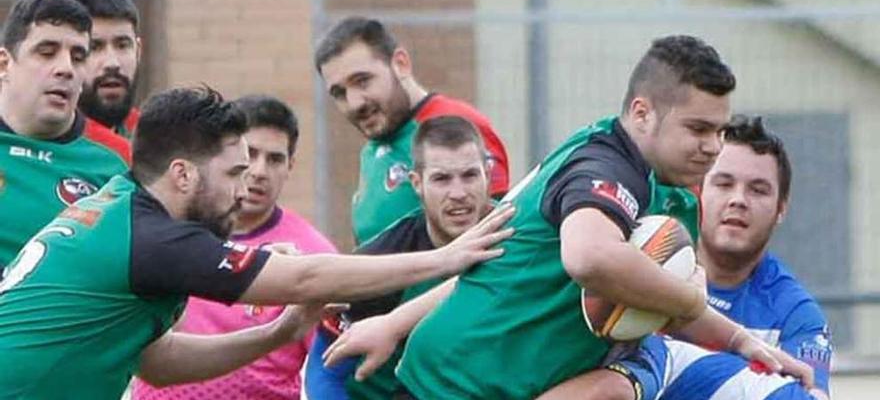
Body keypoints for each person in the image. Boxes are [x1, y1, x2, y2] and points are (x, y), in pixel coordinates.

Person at [322, 36, 813, 399]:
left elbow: (498, 261)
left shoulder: (674, 196)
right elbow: (590, 256)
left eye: (720, 131)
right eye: (698, 129)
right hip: (450, 387)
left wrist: (742, 341)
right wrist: (689, 297)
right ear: (642, 114)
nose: (712, 146)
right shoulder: (601, 163)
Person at [0, 86, 514, 399]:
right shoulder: (155, 239)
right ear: (181, 175)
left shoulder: (124, 210)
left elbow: (157, 360)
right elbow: (305, 277)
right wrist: (447, 258)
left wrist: (276, 335)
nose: (243, 188)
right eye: (233, 172)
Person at [538, 115, 832, 400]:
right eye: (724, 183)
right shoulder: (629, 267)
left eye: (758, 190)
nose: (738, 200)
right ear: (698, 191)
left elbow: (811, 394)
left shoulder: (796, 313)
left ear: (781, 208)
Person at [132, 95, 338, 400]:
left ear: (291, 165)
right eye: (250, 155)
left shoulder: (311, 254)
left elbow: (331, 366)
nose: (258, 171)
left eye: (275, 159)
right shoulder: (165, 235)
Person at [302, 115, 495, 400]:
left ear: (488, 174)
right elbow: (324, 371)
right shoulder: (383, 258)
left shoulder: (518, 236)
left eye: (470, 175)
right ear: (416, 183)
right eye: (441, 179)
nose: (459, 193)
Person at [314, 17, 510, 245]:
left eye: (363, 81)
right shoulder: (373, 149)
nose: (354, 102)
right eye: (339, 93)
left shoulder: (457, 124)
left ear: (400, 64)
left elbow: (498, 232)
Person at [0, 0, 130, 268]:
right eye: (46, 53)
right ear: (4, 64)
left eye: (78, 57)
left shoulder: (117, 162)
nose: (66, 69)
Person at [71, 0, 143, 139]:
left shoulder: (154, 138)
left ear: (138, 51)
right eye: (94, 47)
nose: (112, 63)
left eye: (122, 45)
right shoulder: (38, 144)